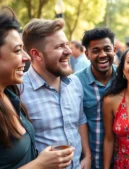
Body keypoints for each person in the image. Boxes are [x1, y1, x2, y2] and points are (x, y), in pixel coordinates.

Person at [0, 7, 74, 169]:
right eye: (18, 50)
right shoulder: (23, 88)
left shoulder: (10, 93)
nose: (26, 58)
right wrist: (40, 164)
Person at [21, 18, 92, 169]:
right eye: (60, 46)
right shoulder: (19, 90)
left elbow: (80, 120)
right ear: (36, 54)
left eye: (67, 44)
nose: (69, 51)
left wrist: (87, 155)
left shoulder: (75, 83)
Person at [75, 27, 117, 169]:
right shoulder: (76, 82)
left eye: (107, 49)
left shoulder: (125, 79)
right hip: (90, 162)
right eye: (96, 51)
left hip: (121, 161)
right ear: (87, 54)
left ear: (114, 50)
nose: (102, 54)